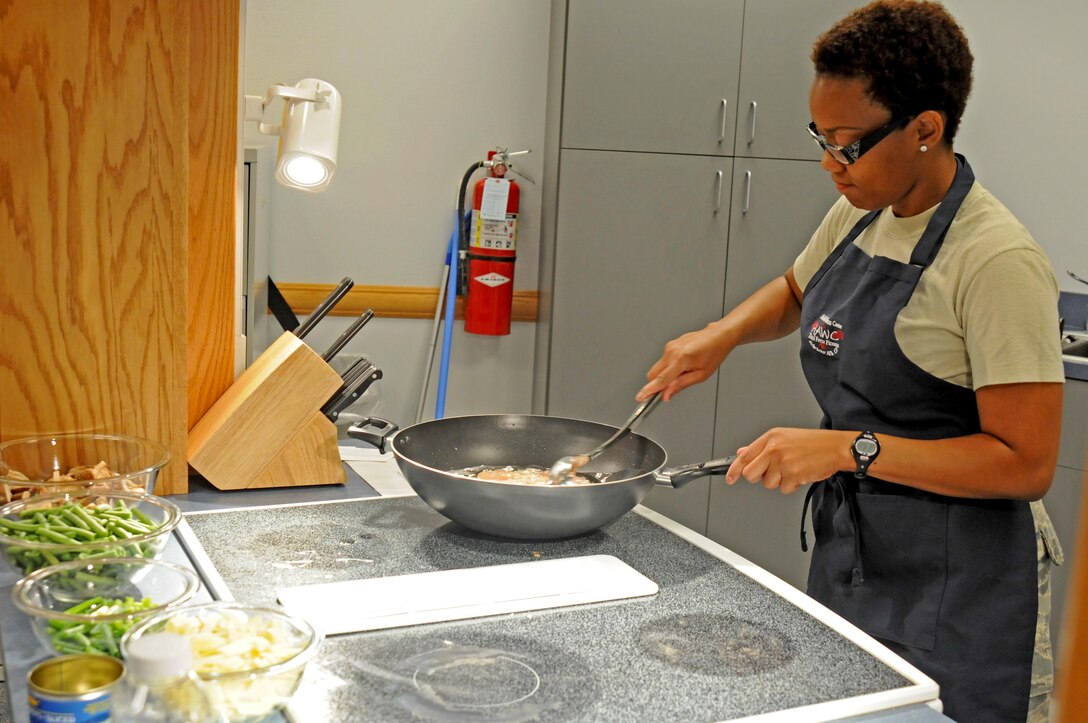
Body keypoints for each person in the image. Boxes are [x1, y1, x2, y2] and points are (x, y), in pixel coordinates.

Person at [636, 2, 1065, 721]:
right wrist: (721, 334)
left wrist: (848, 448)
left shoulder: (995, 260)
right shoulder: (864, 209)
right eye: (821, 138)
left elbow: (1025, 461)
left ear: (926, 129)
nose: (830, 164)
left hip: (963, 583)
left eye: (848, 143)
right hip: (861, 553)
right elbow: (797, 290)